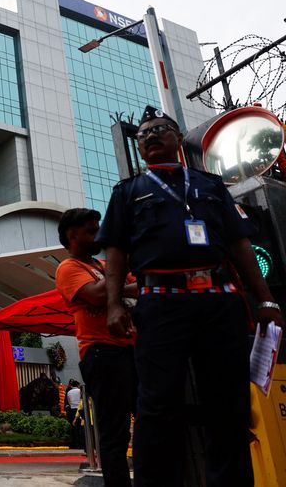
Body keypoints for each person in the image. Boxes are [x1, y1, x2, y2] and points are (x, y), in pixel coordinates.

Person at [97, 105, 285, 487]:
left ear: (177, 138)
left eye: (159, 130)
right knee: (157, 404)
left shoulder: (211, 186)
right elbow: (114, 252)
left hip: (220, 303)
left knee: (228, 402)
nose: (150, 136)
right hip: (161, 305)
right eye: (143, 134)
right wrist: (114, 303)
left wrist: (265, 299)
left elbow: (240, 245)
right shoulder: (128, 193)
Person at [56, 207, 138, 486]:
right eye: (92, 230)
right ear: (72, 234)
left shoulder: (104, 266)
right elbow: (94, 295)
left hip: (131, 349)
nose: (99, 234)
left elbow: (138, 287)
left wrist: (112, 286)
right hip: (102, 352)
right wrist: (116, 285)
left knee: (152, 419)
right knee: (115, 433)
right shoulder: (68, 267)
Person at [65, 380, 83, 449]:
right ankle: (82, 444)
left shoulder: (69, 392)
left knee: (74, 427)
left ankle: (76, 444)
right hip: (79, 410)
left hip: (72, 410)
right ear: (77, 385)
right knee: (81, 426)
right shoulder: (79, 391)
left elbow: (69, 402)